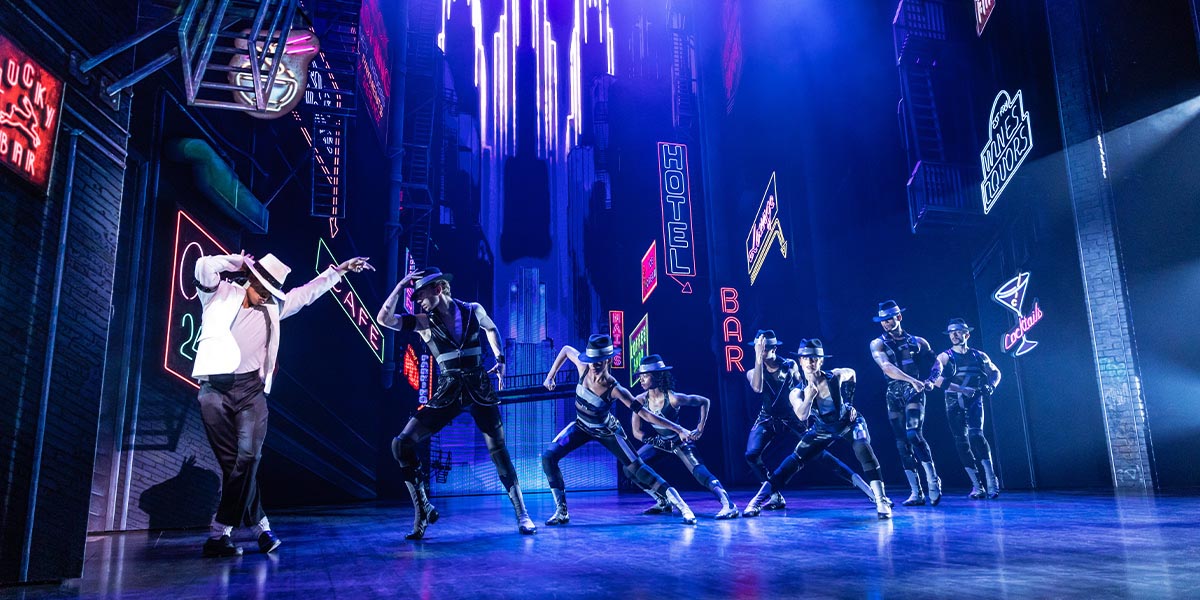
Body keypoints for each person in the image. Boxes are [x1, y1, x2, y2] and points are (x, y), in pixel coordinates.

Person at [192, 251, 373, 557]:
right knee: (233, 464)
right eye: (262, 287)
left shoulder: (274, 307)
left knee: (249, 458)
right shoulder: (218, 293)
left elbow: (308, 293)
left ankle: (221, 530)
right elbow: (204, 265)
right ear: (250, 277)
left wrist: (340, 269)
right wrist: (239, 261)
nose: (265, 295)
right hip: (214, 390)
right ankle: (257, 528)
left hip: (251, 391)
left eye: (271, 290)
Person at [377, 267, 536, 539]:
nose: (418, 301)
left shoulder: (473, 310)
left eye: (421, 294)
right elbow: (384, 319)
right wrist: (401, 286)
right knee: (401, 444)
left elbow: (492, 328)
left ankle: (523, 513)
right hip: (447, 392)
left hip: (478, 389)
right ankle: (422, 510)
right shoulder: (425, 322)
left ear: (438, 288)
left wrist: (500, 360)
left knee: (498, 450)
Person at [541, 335, 698, 525]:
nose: (593, 366)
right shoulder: (583, 368)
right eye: (591, 361)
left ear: (607, 360)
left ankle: (680, 504)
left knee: (637, 468)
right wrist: (550, 375)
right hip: (581, 426)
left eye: (598, 362)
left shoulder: (615, 389)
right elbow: (566, 349)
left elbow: (646, 414)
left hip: (607, 431)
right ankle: (562, 511)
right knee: (548, 457)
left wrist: (678, 428)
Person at [744, 339, 893, 519]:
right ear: (800, 361)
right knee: (793, 461)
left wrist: (849, 402)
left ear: (821, 361)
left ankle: (881, 499)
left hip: (849, 423)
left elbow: (852, 373)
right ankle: (757, 500)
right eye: (806, 358)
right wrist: (809, 397)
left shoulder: (835, 376)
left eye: (814, 358)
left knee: (862, 446)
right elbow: (802, 415)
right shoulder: (797, 392)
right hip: (822, 429)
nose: (810, 362)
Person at [630, 354, 739, 519]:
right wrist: (656, 442)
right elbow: (636, 432)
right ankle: (663, 501)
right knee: (631, 467)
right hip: (660, 443)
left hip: (679, 442)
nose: (641, 380)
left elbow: (704, 401)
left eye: (645, 376)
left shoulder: (673, 398)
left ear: (657, 376)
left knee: (700, 472)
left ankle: (729, 505)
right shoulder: (639, 401)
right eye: (640, 376)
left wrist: (700, 428)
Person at [869, 300, 942, 506]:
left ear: (899, 317)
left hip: (914, 391)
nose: (885, 323)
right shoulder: (877, 343)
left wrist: (930, 380)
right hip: (894, 391)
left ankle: (933, 481)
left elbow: (936, 362)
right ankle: (916, 492)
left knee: (913, 434)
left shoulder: (918, 342)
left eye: (889, 319)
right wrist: (913, 380)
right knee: (901, 442)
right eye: (883, 320)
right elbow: (886, 367)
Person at [928, 318, 1003, 499]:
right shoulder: (944, 357)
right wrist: (962, 389)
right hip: (954, 402)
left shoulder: (979, 356)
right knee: (961, 441)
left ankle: (991, 480)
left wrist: (991, 385)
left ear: (966, 334)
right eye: (951, 332)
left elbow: (995, 372)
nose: (954, 335)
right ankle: (977, 485)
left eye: (957, 331)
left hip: (974, 401)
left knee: (977, 436)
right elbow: (935, 379)